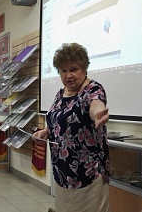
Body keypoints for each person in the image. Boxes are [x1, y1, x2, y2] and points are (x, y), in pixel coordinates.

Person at [32, 43, 110, 212]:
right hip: (63, 175)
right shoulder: (60, 95)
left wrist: (97, 113)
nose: (68, 75)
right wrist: (46, 132)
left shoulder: (92, 90)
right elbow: (59, 124)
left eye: (73, 69)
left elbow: (95, 104)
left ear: (84, 68)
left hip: (88, 176)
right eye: (63, 70)